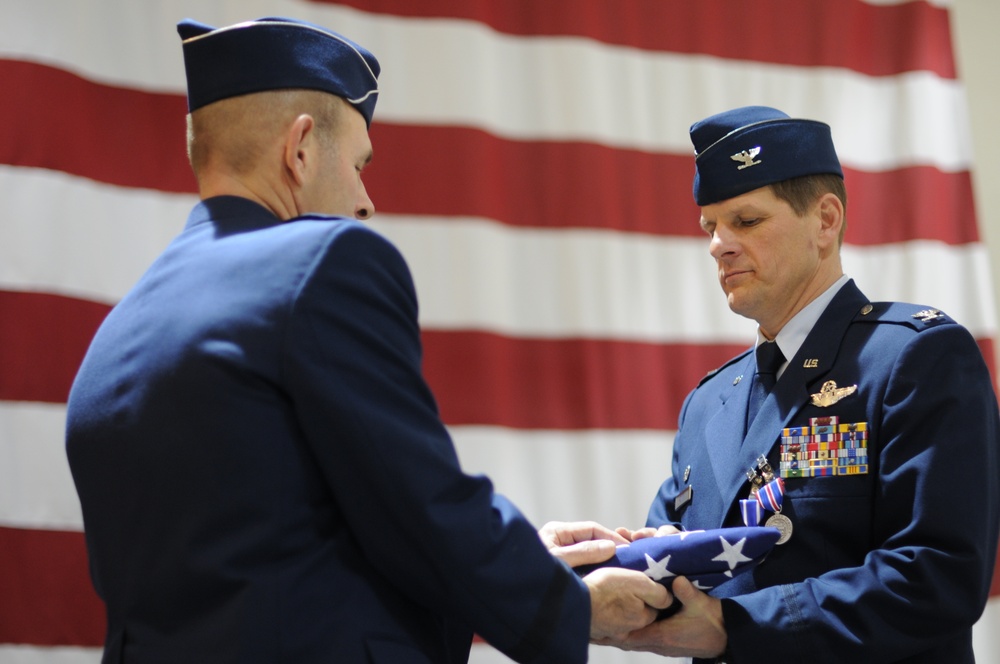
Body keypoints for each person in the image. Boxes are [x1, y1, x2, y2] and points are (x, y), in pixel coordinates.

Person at [64, 17, 669, 664]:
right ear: (299, 150)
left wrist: (527, 558)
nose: (365, 201)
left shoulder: (117, 335)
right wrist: (569, 604)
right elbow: (419, 505)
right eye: (358, 164)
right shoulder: (324, 262)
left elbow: (284, 548)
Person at [598, 106, 1000, 662]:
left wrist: (731, 626)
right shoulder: (708, 402)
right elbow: (672, 556)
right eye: (711, 227)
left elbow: (938, 576)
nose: (719, 245)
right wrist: (587, 570)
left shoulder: (913, 357)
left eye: (747, 221)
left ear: (826, 221)